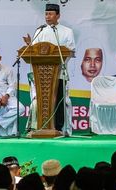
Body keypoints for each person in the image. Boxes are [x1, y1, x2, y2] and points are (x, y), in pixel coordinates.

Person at [23, 3, 75, 132]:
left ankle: (58, 127)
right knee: (43, 101)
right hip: (42, 75)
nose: (48, 16)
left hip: (59, 73)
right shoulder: (40, 30)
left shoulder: (67, 31)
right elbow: (34, 52)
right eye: (46, 14)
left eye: (51, 14)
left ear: (58, 15)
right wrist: (30, 45)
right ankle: (42, 126)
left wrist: (58, 56)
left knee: (58, 101)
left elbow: (71, 51)